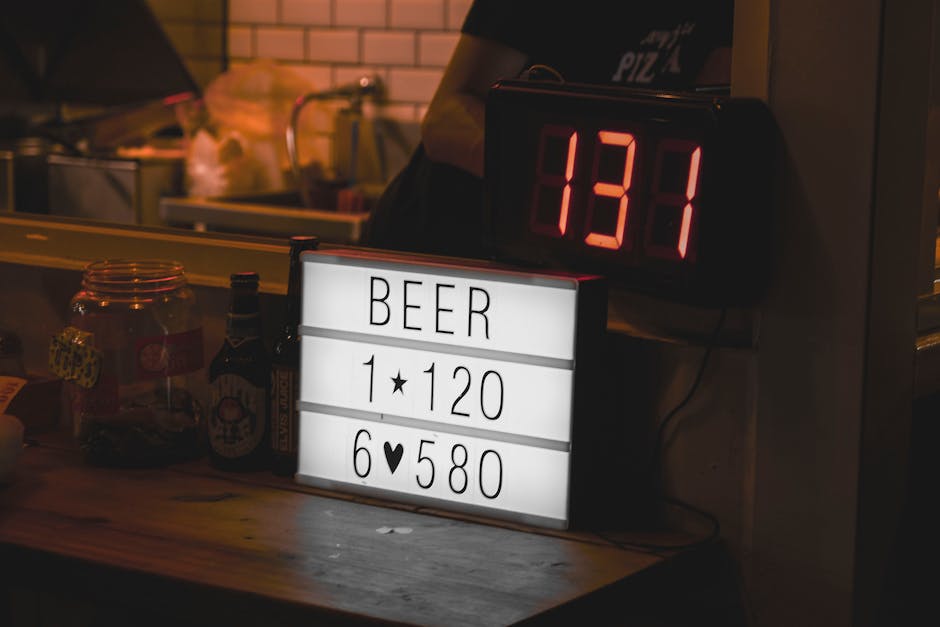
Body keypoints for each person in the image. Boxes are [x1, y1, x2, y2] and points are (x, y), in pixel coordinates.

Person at [368, 0, 734, 259]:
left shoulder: (735, 11)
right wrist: (569, 187)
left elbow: (707, 131)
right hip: (441, 239)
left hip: (571, 256)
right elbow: (444, 120)